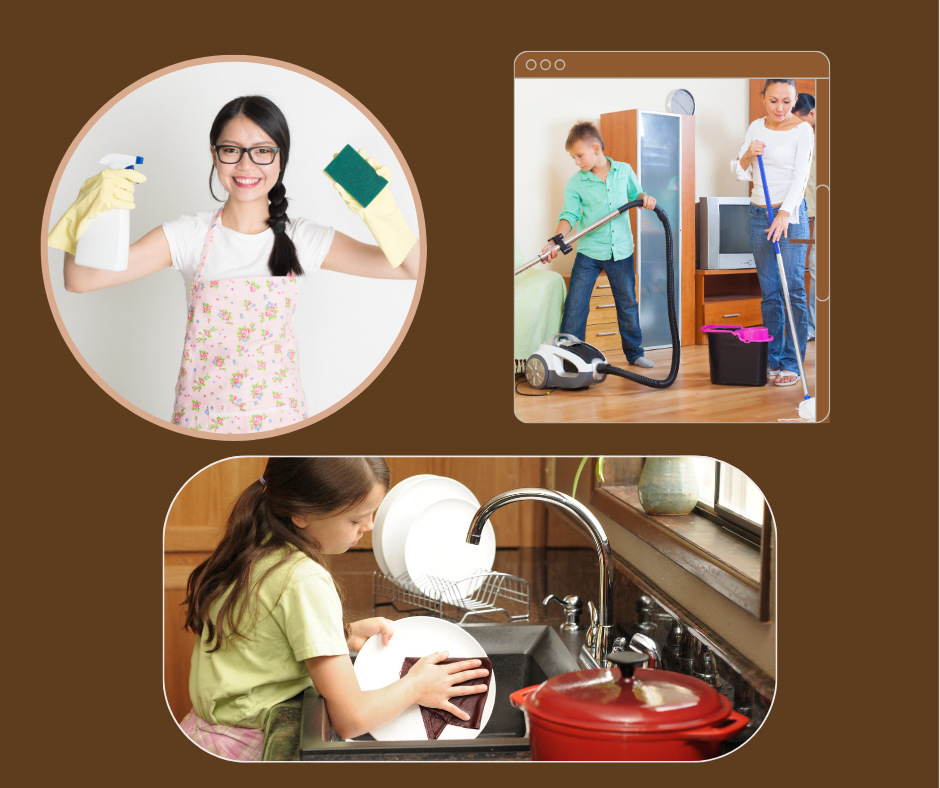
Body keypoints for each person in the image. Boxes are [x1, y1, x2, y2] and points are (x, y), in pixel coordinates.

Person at [49, 96, 419, 434]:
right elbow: (80, 280)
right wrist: (86, 215)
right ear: (214, 155)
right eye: (231, 150)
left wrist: (377, 204)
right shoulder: (189, 235)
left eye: (262, 151)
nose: (246, 165)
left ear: (281, 158)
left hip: (282, 423)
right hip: (201, 423)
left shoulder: (302, 239)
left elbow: (411, 268)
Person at [178, 457, 489, 761]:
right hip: (249, 748)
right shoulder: (304, 578)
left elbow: (261, 643)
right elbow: (352, 718)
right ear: (300, 514)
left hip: (201, 734)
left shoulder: (255, 550)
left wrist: (343, 634)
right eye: (356, 519)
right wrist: (417, 686)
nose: (368, 526)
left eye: (371, 514)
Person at [541, 121, 657, 368]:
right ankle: (568, 356)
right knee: (576, 303)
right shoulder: (576, 183)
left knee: (627, 303)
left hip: (621, 250)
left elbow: (637, 193)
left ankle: (635, 353)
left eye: (579, 155)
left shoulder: (624, 171)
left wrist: (644, 198)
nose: (576, 162)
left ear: (596, 148)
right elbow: (569, 216)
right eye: (573, 157)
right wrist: (554, 241)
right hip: (589, 251)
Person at [732, 79, 814, 387]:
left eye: (786, 101)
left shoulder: (803, 131)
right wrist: (748, 155)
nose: (780, 108)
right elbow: (740, 171)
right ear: (763, 99)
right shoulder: (756, 127)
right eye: (773, 101)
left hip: (790, 216)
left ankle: (792, 361)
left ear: (794, 101)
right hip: (758, 213)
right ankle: (774, 359)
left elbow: (801, 176)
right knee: (770, 293)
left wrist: (783, 213)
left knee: (791, 289)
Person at [792, 92, 817, 340]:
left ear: (812, 114)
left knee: (815, 268)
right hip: (801, 211)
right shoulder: (801, 136)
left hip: (818, 213)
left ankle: (812, 326)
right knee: (799, 267)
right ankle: (804, 324)